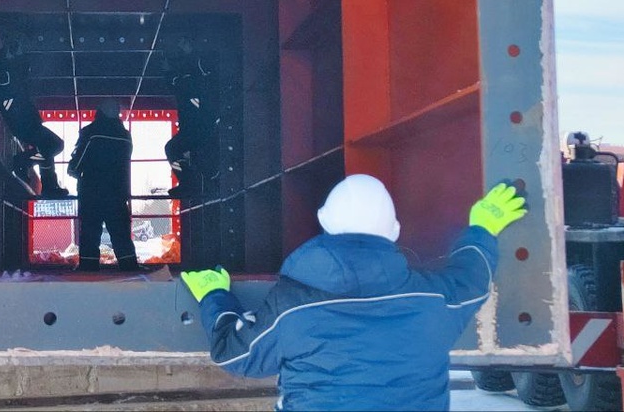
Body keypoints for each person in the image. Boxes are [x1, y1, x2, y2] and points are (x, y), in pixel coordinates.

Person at [180, 176, 527, 411]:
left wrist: (215, 296)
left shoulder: (291, 308)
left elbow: (236, 355)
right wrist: (483, 228)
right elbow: (472, 279)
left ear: (324, 221)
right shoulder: (433, 301)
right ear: (394, 231)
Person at [0, 33, 68, 198]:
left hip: (22, 117)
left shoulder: (0, 67)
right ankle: (24, 162)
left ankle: (49, 185)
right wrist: (17, 59)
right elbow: (12, 82)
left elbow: (17, 81)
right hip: (20, 118)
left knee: (47, 148)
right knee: (54, 145)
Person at [67, 99, 139, 272]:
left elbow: (77, 163)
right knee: (120, 232)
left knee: (90, 231)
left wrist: (74, 170)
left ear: (99, 112)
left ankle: (88, 267)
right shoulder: (125, 135)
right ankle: (129, 266)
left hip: (92, 190)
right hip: (118, 191)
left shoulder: (91, 132)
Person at [161, 37, 220, 199]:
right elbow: (177, 85)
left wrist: (170, 72)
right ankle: (195, 183)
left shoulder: (198, 65)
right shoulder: (188, 71)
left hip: (198, 125)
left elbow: (181, 85)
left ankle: (191, 183)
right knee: (177, 150)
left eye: (184, 43)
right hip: (197, 124)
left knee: (173, 149)